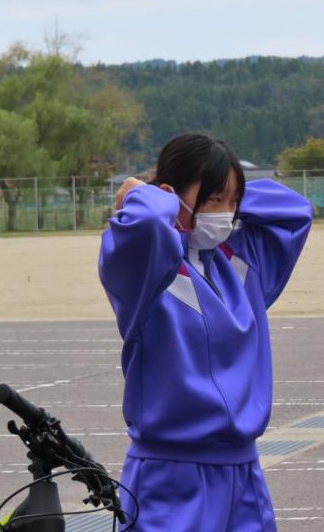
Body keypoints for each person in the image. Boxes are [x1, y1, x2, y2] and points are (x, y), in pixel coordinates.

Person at [99, 133, 312, 531]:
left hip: (244, 473)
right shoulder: (148, 268)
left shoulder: (240, 260)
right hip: (169, 475)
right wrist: (144, 194)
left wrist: (227, 195)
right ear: (170, 194)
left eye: (233, 202)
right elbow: (146, 222)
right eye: (214, 200)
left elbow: (294, 210)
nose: (225, 215)